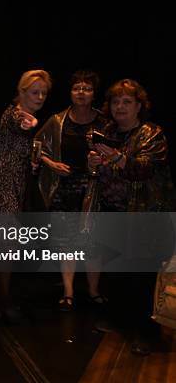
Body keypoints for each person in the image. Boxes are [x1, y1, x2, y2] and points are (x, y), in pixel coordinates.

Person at [86, 79, 174, 355]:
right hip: (113, 212)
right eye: (115, 101)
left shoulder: (152, 134)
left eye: (127, 101)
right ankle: (122, 322)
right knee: (117, 272)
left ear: (139, 106)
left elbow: (143, 169)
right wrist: (93, 165)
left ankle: (148, 334)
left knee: (142, 275)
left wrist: (117, 158)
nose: (120, 106)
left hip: (144, 216)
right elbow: (99, 173)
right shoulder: (107, 131)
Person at [35, 70, 108, 312]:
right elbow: (36, 147)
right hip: (64, 189)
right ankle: (68, 292)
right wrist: (52, 164)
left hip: (94, 189)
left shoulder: (104, 122)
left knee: (93, 242)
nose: (81, 92)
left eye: (87, 88)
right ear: (70, 92)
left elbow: (117, 153)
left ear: (94, 93)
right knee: (66, 243)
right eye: (77, 88)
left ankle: (94, 291)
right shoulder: (57, 120)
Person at [0, 69, 51, 322]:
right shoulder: (14, 114)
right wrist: (31, 123)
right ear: (21, 92)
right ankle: (2, 302)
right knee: (6, 244)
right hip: (5, 186)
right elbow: (20, 122)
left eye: (43, 93)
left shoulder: (26, 113)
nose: (39, 97)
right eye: (34, 92)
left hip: (18, 186)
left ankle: (3, 297)